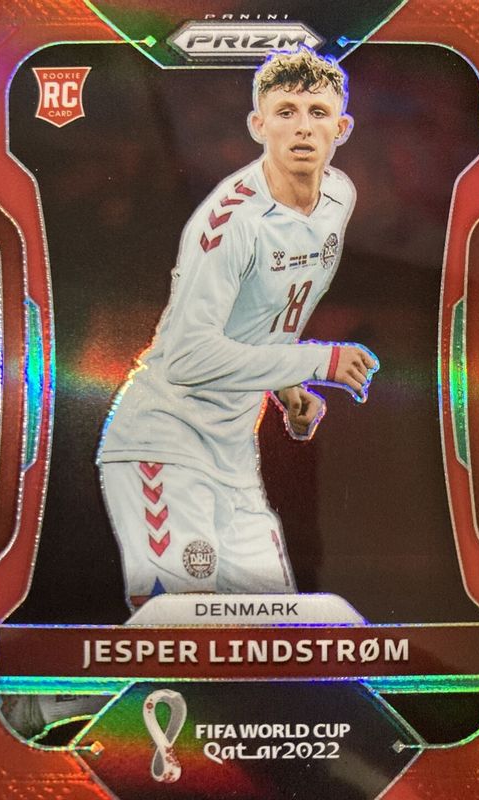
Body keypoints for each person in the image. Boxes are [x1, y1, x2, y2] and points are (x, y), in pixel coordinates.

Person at [98, 46, 379, 608]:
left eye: (317, 112)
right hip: (165, 442)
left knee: (275, 637)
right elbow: (188, 358)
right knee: (182, 629)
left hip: (233, 461)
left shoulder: (338, 198)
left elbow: (260, 318)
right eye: (285, 112)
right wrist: (319, 361)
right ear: (258, 125)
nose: (303, 127)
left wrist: (288, 389)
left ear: (342, 128)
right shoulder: (230, 222)